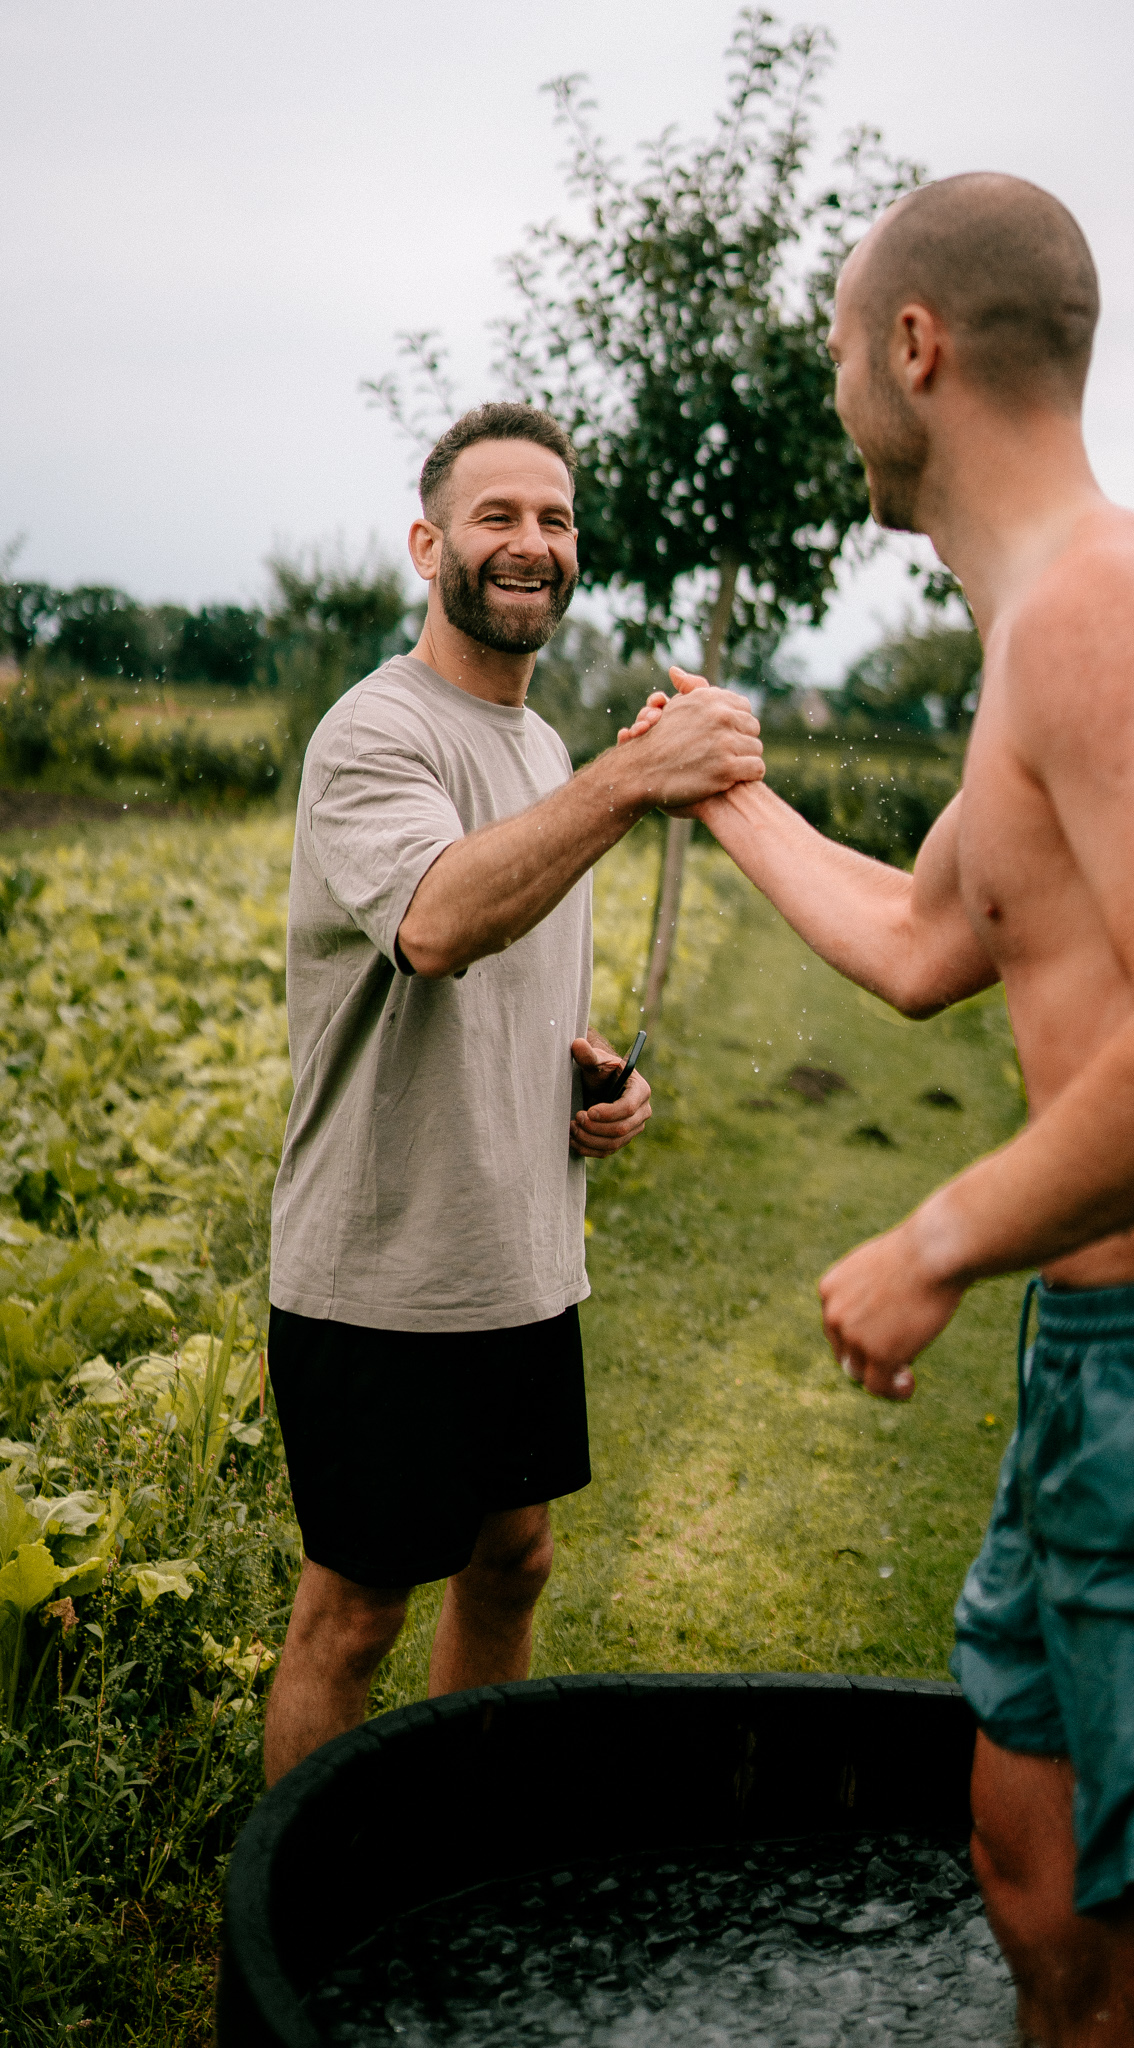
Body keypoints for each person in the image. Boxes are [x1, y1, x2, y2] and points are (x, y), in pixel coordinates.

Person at [622, 176, 1134, 2046]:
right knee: (1035, 1877)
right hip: (1106, 1368)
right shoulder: (1051, 634)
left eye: (835, 355)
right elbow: (921, 933)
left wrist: (932, 1238)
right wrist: (715, 787)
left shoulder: (1105, 608)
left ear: (914, 349)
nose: (832, 393)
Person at [262, 402, 763, 1786]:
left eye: (553, 519)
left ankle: (454, 1852)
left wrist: (583, 1074)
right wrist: (632, 777)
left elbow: (510, 978)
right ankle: (305, 1911)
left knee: (515, 1561)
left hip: (520, 1262)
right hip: (382, 1269)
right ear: (429, 543)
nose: (528, 543)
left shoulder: (541, 755)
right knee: (353, 1612)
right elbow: (431, 925)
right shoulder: (375, 735)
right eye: (496, 516)